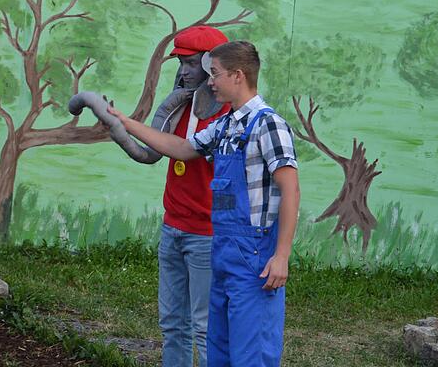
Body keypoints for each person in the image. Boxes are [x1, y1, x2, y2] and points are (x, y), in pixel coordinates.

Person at [109, 41, 300, 367]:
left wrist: (281, 256)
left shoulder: (269, 125)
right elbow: (182, 148)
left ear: (238, 76)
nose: (209, 81)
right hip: (223, 252)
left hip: (254, 258)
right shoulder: (226, 127)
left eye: (215, 74)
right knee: (220, 352)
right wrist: (125, 122)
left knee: (251, 353)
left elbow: (290, 190)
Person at [156, 26, 230, 367]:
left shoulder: (229, 114)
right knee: (172, 323)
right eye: (179, 64)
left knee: (205, 326)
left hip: (206, 233)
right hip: (172, 226)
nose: (183, 72)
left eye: (190, 63)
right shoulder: (181, 104)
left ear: (210, 64)